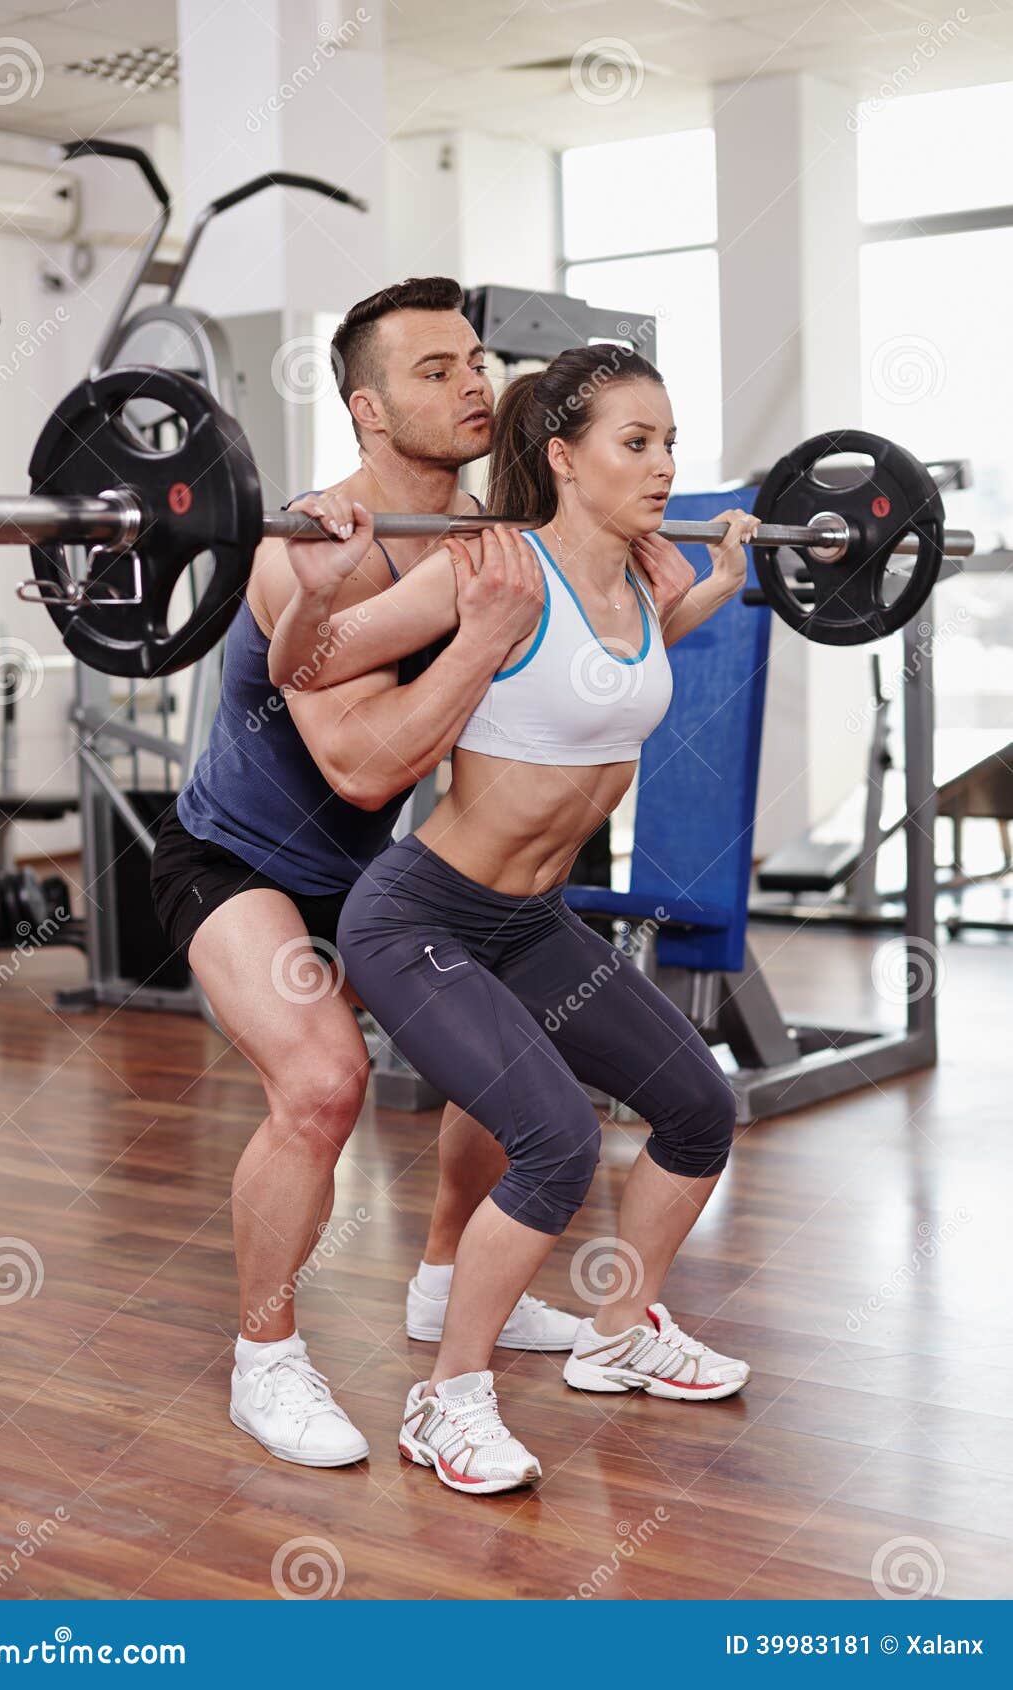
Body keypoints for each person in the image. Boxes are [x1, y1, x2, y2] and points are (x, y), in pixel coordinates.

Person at [271, 341, 760, 1494]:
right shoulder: (490, 572)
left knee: (698, 1108)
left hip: (535, 922)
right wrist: (321, 594)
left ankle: (618, 1329)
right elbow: (312, 664)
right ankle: (447, 1402)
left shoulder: (640, 583)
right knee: (557, 1142)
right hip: (419, 917)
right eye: (635, 443)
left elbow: (608, 676)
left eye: (670, 442)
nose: (663, 465)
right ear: (562, 456)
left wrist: (715, 590)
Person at [148, 277, 584, 1473]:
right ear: (365, 408)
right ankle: (265, 1360)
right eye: (434, 370)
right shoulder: (305, 547)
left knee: (506, 1050)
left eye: (473, 363)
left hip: (378, 876)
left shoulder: (488, 534)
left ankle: (444, 1282)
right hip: (236, 863)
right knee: (324, 1081)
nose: (471, 384)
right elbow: (355, 767)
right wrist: (489, 637)